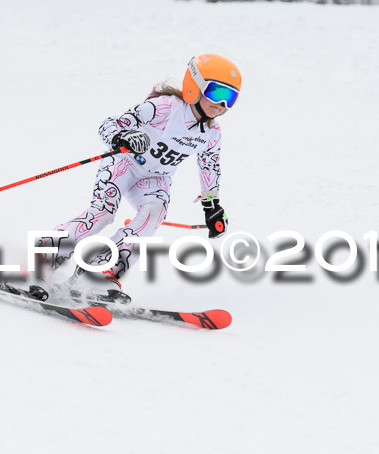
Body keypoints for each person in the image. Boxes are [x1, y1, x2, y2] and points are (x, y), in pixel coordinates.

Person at [37, 53, 242, 300]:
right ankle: (45, 254)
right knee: (103, 214)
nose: (221, 104)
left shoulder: (212, 133)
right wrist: (120, 137)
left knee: (154, 213)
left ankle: (99, 273)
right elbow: (109, 123)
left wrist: (212, 207)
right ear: (194, 85)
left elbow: (209, 166)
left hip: (155, 178)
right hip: (125, 162)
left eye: (230, 98)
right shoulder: (165, 107)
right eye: (216, 93)